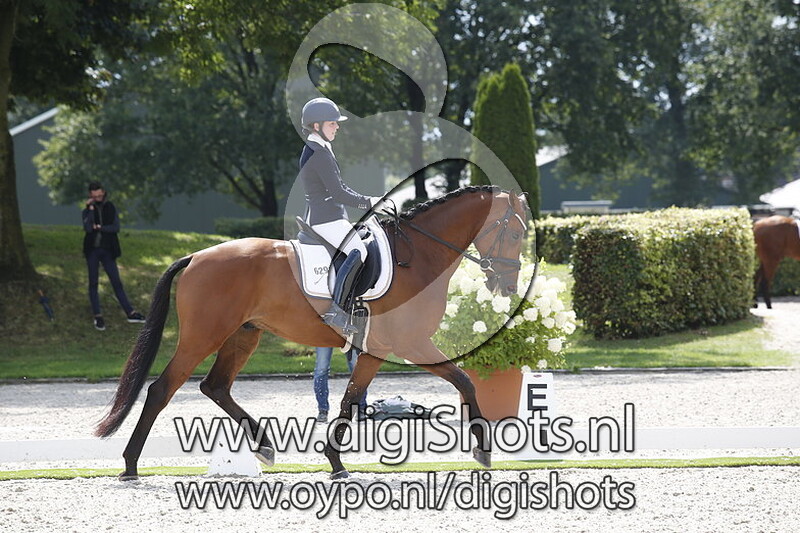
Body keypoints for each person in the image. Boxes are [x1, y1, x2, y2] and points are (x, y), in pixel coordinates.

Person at [298, 97, 383, 335]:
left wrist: (367, 200)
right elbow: (338, 193)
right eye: (332, 123)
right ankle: (337, 311)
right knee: (359, 251)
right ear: (316, 126)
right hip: (325, 218)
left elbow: (340, 187)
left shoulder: (320, 148)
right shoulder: (318, 153)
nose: (337, 127)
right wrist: (369, 202)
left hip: (329, 215)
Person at [82, 181, 145, 331]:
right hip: (92, 250)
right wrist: (90, 209)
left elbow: (115, 227)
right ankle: (98, 316)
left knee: (116, 281)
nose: (97, 198)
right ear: (90, 195)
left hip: (108, 250)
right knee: (93, 282)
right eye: (94, 196)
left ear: (103, 192)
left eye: (99, 195)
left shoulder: (110, 207)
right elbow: (88, 228)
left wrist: (100, 228)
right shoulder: (87, 210)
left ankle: (130, 312)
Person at [313, 346, 368, 422]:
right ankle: (322, 410)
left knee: (356, 367)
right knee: (321, 369)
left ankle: (361, 407)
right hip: (325, 338)